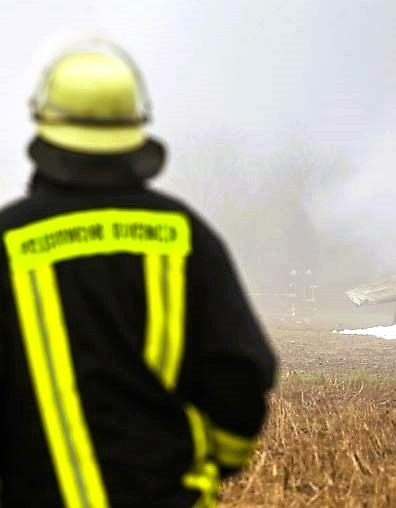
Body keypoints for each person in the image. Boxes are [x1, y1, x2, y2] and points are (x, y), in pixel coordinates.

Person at [0, 39, 277, 507]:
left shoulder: (9, 242)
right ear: (136, 130)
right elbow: (241, 371)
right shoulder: (185, 237)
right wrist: (217, 460)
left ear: (45, 127)